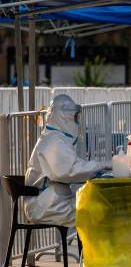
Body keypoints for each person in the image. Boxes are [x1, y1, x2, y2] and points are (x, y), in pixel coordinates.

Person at [24, 94, 109, 227]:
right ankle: (98, 248)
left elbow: (70, 167)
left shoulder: (54, 137)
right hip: (47, 206)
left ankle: (93, 247)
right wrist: (101, 165)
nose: (76, 121)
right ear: (64, 116)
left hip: (52, 201)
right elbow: (70, 170)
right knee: (98, 212)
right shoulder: (54, 141)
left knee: (97, 207)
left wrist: (98, 168)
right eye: (74, 117)